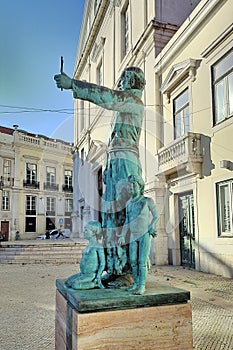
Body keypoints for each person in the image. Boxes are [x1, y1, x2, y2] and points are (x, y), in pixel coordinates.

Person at [54, 67, 146, 278]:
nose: (118, 86)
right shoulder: (126, 104)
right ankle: (114, 267)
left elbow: (107, 97)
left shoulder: (133, 101)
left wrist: (73, 84)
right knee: (111, 214)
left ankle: (125, 270)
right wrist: (106, 166)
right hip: (114, 161)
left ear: (129, 81)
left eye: (121, 81)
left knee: (122, 214)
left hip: (125, 161)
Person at [119, 175, 159, 295]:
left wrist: (151, 227)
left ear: (140, 186)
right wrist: (122, 235)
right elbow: (127, 220)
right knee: (133, 261)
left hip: (144, 235)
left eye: (134, 185)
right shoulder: (129, 203)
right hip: (133, 235)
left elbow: (156, 216)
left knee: (142, 261)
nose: (131, 188)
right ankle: (136, 283)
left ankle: (142, 286)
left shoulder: (147, 201)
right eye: (130, 186)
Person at [65, 221, 105, 290]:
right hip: (83, 273)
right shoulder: (88, 246)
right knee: (68, 282)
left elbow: (102, 263)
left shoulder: (98, 246)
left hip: (91, 275)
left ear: (93, 232)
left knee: (75, 285)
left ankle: (95, 284)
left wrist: (98, 276)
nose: (84, 232)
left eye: (86, 230)